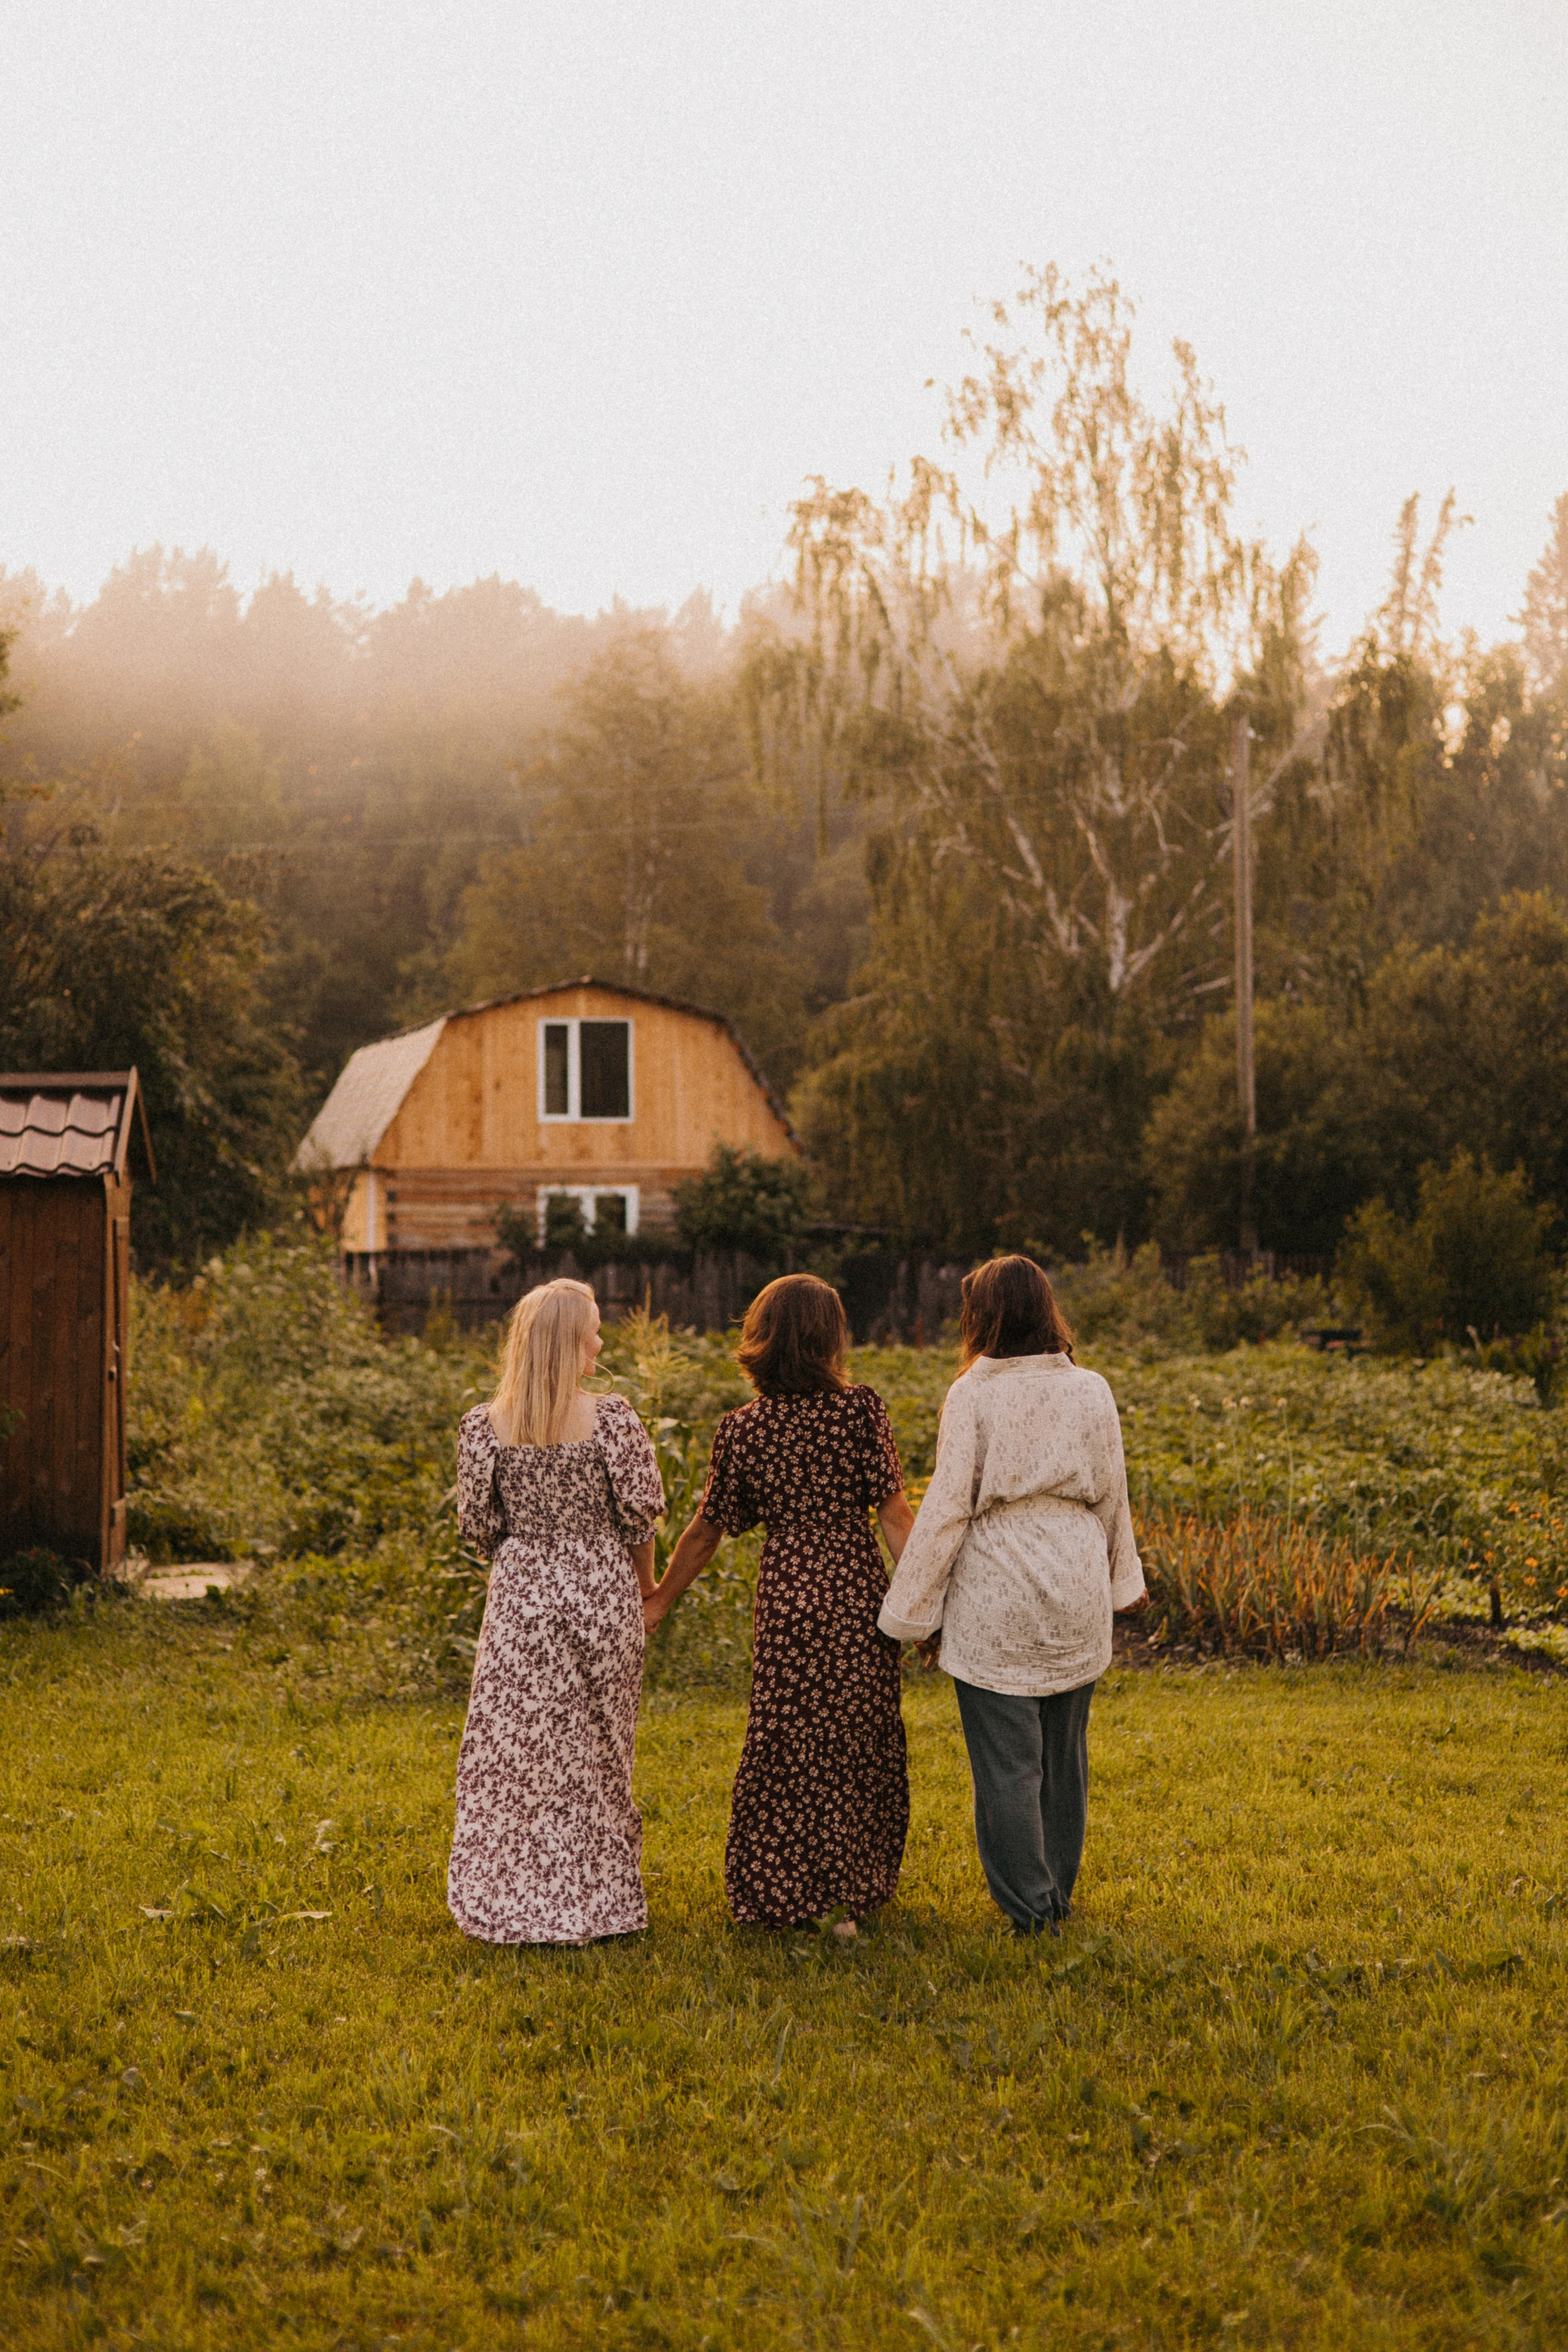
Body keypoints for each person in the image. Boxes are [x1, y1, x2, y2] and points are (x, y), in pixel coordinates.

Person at [877, 1255, 1145, 1936]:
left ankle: (1030, 1908)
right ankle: (1055, 1893)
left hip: (997, 1589)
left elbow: (944, 1510)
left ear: (982, 1317)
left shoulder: (973, 1393)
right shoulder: (1091, 1389)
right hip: (1076, 1580)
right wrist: (1123, 1584)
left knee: (1007, 1765)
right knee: (1064, 1760)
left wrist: (907, 1613)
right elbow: (1113, 1493)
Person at [644, 1274, 914, 1931]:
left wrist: (658, 1603)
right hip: (854, 1592)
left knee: (785, 1744)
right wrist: (929, 1601)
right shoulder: (861, 1410)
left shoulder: (743, 1429)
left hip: (788, 1595)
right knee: (856, 1740)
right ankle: (851, 1892)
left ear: (760, 1339)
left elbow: (706, 1531)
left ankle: (780, 1892)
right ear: (829, 1338)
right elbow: (896, 1517)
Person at [448, 1278, 664, 1945]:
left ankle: (512, 1895)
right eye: (595, 1330)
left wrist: (528, 1566)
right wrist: (647, 1589)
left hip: (521, 1600)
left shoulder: (485, 1428)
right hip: (602, 1592)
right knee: (599, 1750)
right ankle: (600, 1897)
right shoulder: (614, 1419)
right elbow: (640, 1517)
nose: (602, 1341)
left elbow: (479, 1529)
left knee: (516, 1754)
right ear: (572, 1342)